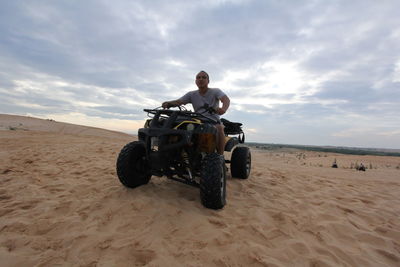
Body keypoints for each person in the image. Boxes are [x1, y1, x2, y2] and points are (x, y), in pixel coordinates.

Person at [162, 70, 230, 155]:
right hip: (197, 121)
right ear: (195, 81)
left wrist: (223, 109)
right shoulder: (192, 94)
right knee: (175, 127)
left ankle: (220, 157)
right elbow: (179, 102)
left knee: (219, 128)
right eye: (198, 77)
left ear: (208, 81)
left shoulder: (215, 91)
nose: (201, 79)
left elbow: (225, 99)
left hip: (212, 121)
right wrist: (168, 103)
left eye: (204, 77)